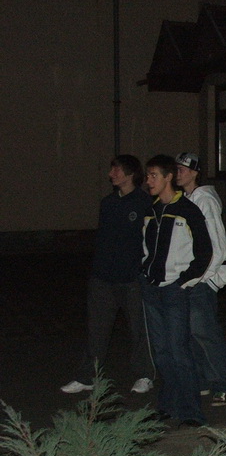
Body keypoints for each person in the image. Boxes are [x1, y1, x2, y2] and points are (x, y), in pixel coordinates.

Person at [61, 155, 156, 394]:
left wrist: (141, 270)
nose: (111, 174)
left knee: (139, 330)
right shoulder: (108, 203)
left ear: (130, 174)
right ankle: (87, 377)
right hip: (103, 279)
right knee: (97, 330)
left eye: (116, 170)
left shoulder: (145, 203)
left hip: (132, 279)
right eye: (112, 169)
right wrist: (97, 270)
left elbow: (150, 242)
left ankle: (145, 374)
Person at [140, 154, 212, 427]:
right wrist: (144, 274)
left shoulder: (188, 210)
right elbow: (144, 248)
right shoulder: (151, 210)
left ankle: (191, 411)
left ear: (168, 177)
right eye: (147, 176)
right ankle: (167, 405)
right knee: (161, 352)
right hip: (152, 289)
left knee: (179, 351)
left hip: (174, 290)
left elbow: (205, 251)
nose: (149, 181)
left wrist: (183, 281)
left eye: (153, 176)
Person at [175, 152, 226, 407]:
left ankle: (223, 385)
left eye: (182, 169)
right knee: (190, 333)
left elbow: (217, 244)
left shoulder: (205, 200)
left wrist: (206, 277)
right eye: (176, 169)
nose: (178, 173)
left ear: (195, 173)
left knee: (206, 334)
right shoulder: (185, 199)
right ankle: (201, 381)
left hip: (201, 279)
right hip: (190, 277)